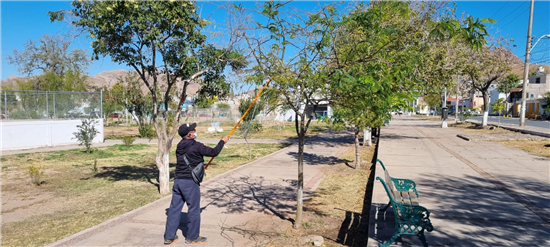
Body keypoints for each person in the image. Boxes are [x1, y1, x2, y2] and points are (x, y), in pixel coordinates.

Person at [164, 123, 228, 245]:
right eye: (193, 130)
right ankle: (192, 237)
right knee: (193, 209)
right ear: (189, 134)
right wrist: (222, 141)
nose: (195, 131)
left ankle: (169, 236)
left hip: (178, 181)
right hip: (190, 183)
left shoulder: (179, 146)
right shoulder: (197, 146)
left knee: (174, 209)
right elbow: (214, 152)